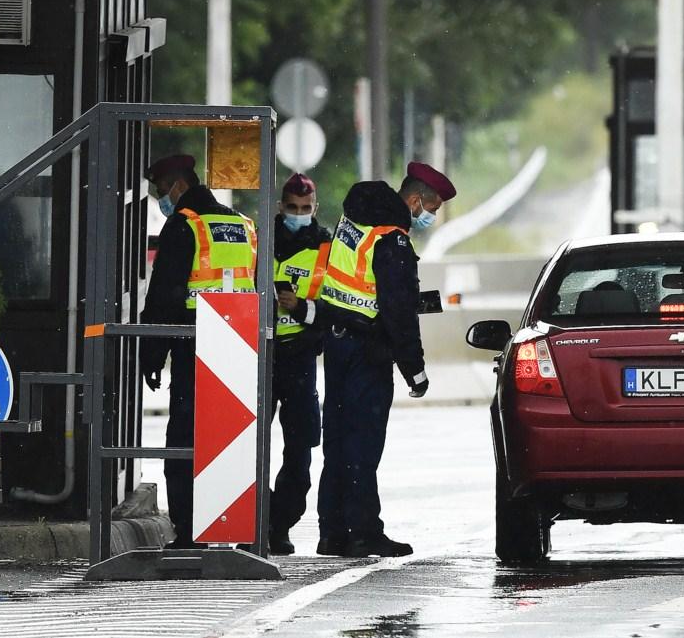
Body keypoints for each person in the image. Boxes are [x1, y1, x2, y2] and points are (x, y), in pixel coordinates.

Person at [315, 161, 455, 558]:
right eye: (431, 209)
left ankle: (333, 531)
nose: (429, 217)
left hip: (338, 343)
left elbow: (351, 282)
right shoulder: (391, 239)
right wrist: (415, 369)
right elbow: (398, 312)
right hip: (367, 352)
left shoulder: (354, 219)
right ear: (415, 201)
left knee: (338, 441)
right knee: (363, 444)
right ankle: (364, 532)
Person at [140, 154, 257, 549]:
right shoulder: (242, 225)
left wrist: (151, 355)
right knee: (230, 437)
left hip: (195, 346)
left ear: (177, 186)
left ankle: (190, 532)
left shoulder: (184, 225)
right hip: (238, 347)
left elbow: (165, 296)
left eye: (161, 191)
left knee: (185, 440)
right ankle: (233, 527)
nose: (162, 199)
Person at [265, 172, 332, 555]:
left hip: (301, 356)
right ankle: (256, 516)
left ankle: (281, 522)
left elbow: (337, 307)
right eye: (291, 208)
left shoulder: (326, 247)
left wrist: (302, 308)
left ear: (315, 208)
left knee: (301, 443)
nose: (298, 214)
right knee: (249, 443)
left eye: (305, 209)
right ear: (280, 207)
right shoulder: (263, 240)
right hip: (259, 354)